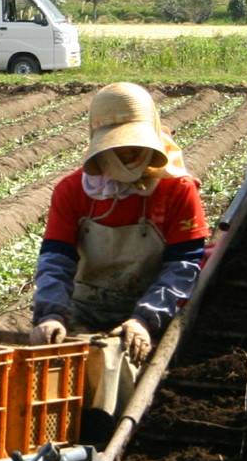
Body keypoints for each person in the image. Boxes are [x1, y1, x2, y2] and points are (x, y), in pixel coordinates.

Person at [31, 83, 209, 429]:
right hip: (83, 306)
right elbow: (56, 259)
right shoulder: (72, 191)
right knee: (58, 369)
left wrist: (145, 318)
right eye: (121, 149)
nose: (129, 156)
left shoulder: (178, 190)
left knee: (115, 367)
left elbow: (183, 265)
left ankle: (106, 443)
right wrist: (51, 314)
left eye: (135, 149)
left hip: (146, 308)